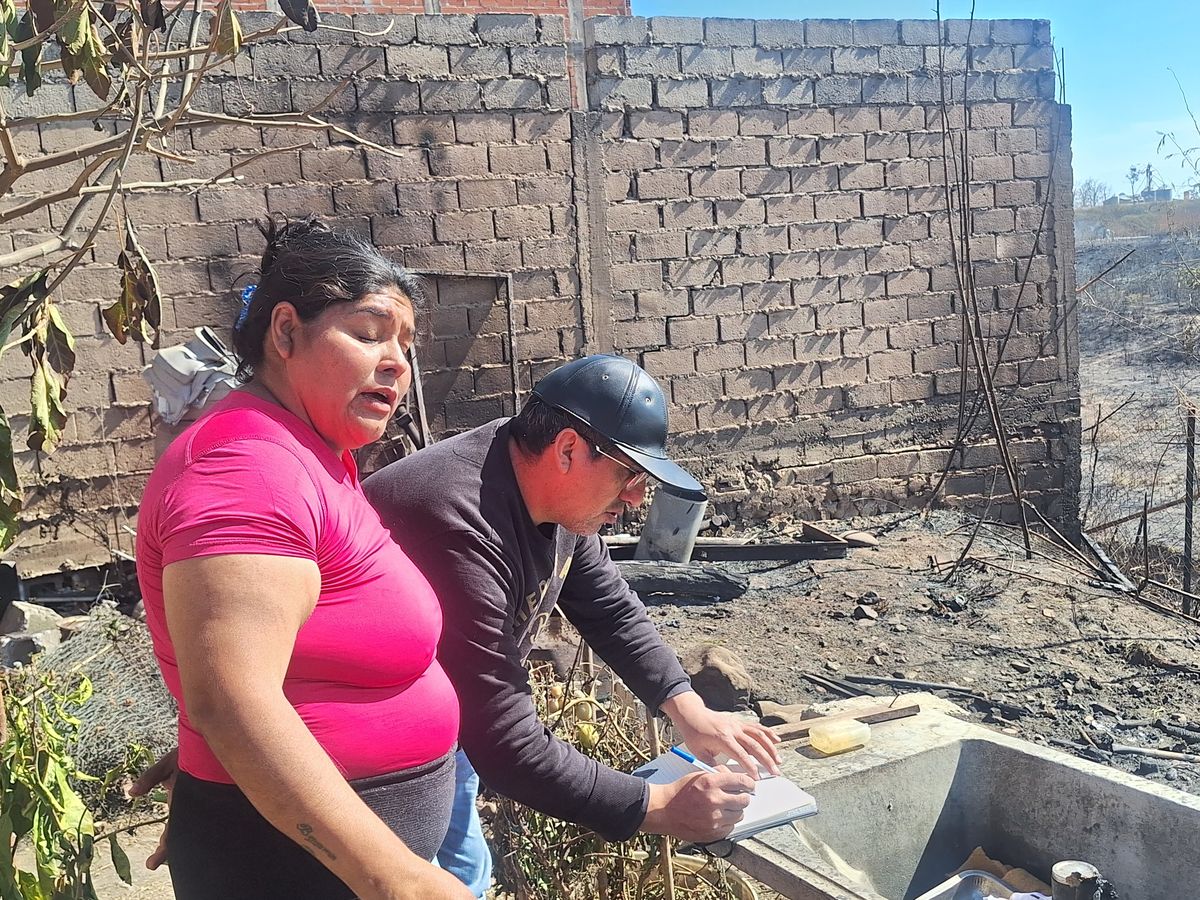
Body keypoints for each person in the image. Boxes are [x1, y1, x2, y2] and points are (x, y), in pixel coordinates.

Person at [134, 217, 471, 900]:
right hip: (300, 872)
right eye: (370, 334)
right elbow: (231, 703)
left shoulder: (310, 457)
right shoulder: (245, 466)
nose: (397, 362)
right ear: (285, 333)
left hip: (313, 855)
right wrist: (399, 879)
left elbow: (265, 668)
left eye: (405, 345)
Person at [362, 354, 783, 898]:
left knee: (467, 875)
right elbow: (508, 745)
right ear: (567, 449)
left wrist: (689, 707)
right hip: (377, 763)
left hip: (451, 731)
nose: (636, 499)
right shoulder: (457, 517)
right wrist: (656, 806)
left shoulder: (546, 492)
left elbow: (609, 606)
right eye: (630, 475)